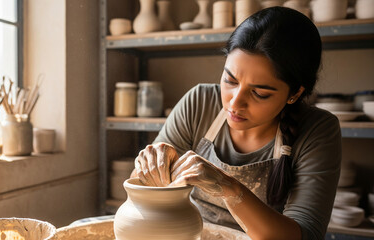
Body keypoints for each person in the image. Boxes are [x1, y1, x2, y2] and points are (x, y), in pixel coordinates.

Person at [131, 7, 342, 240]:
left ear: (294, 93)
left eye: (260, 93)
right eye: (230, 80)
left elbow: (305, 235)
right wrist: (153, 165)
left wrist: (229, 189)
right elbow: (142, 191)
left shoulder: (318, 130)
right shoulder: (199, 102)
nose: (235, 102)